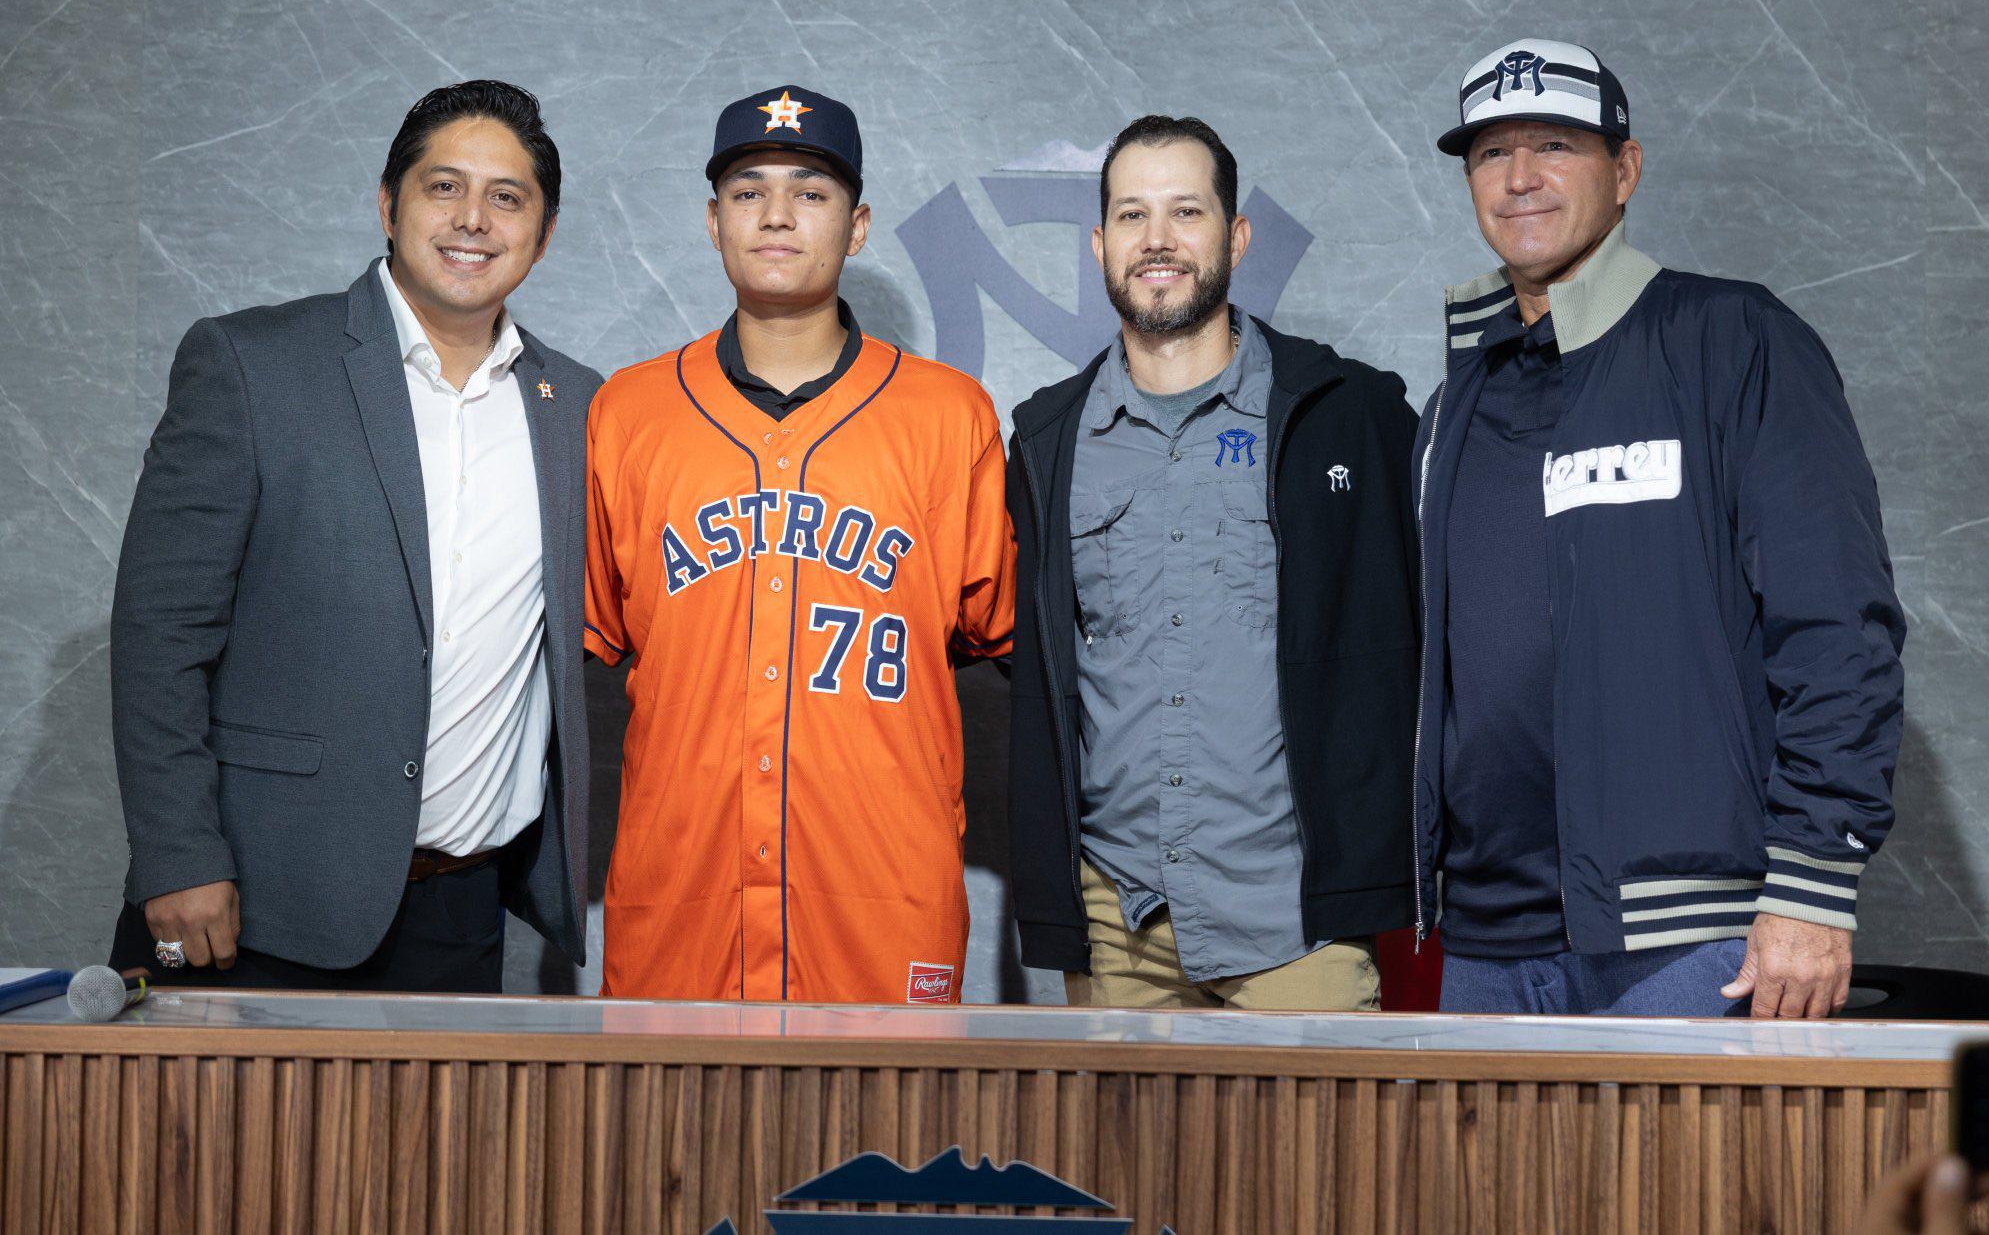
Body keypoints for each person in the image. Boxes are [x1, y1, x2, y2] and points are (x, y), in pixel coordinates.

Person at [1413, 39, 1907, 1017]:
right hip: (1481, 944)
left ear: (1624, 168)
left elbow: (1837, 626)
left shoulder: (1732, 341)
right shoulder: (1448, 409)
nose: (1518, 178)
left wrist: (1811, 886)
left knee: (1686, 1183)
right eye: (1488, 153)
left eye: (1553, 144)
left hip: (1690, 939)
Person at [110, 80, 602, 992]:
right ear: (388, 204)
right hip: (248, 901)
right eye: (443, 187)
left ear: (544, 231)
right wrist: (178, 856)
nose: (474, 221)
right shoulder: (252, 365)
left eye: (508, 197)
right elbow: (159, 635)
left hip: (459, 914)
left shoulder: (580, 408)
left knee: (437, 1146)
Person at [583, 84, 1014, 1003]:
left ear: (857, 228)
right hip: (681, 900)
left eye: (811, 192)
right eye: (748, 190)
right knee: (666, 1147)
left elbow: (1014, 646)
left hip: (880, 905)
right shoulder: (627, 413)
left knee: (893, 1148)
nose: (777, 214)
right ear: (712, 221)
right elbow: (575, 647)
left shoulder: (950, 417)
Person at [1006, 115, 1421, 1009]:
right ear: (1099, 243)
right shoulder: (1047, 442)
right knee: (1102, 1159)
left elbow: (1426, 638)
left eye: (1186, 212)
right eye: (1131, 216)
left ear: (1235, 237)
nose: (1157, 241)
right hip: (1119, 927)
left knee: (1318, 1157)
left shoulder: (1346, 416)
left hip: (1296, 922)